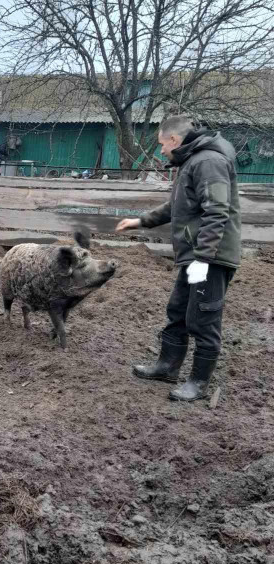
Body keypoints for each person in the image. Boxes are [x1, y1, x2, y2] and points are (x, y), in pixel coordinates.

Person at [115, 115, 241, 401]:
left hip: (210, 258)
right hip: (195, 256)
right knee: (179, 310)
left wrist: (204, 258)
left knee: (203, 317)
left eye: (161, 144)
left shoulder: (208, 161)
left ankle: (198, 383)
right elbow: (176, 205)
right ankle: (167, 366)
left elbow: (217, 212)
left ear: (174, 139)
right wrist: (140, 222)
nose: (161, 150)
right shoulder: (192, 162)